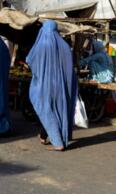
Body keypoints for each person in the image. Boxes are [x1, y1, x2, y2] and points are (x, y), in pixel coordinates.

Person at [26, 20, 77, 151]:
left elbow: (30, 60)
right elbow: (70, 69)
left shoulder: (40, 45)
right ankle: (55, 136)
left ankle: (58, 142)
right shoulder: (65, 46)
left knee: (46, 111)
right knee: (60, 110)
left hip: (44, 87)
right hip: (61, 87)